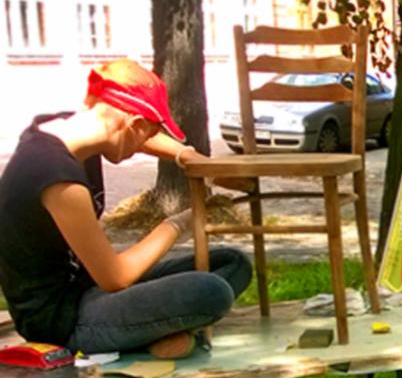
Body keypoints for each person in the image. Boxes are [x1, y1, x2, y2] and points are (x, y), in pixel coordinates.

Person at [0, 59, 252, 358]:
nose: (144, 144)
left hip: (89, 288)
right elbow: (115, 277)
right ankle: (147, 333)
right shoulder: (58, 178)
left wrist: (189, 157)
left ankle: (153, 330)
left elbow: (144, 136)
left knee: (232, 262)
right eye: (146, 133)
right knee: (212, 292)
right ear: (133, 125)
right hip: (62, 320)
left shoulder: (70, 131)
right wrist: (178, 224)